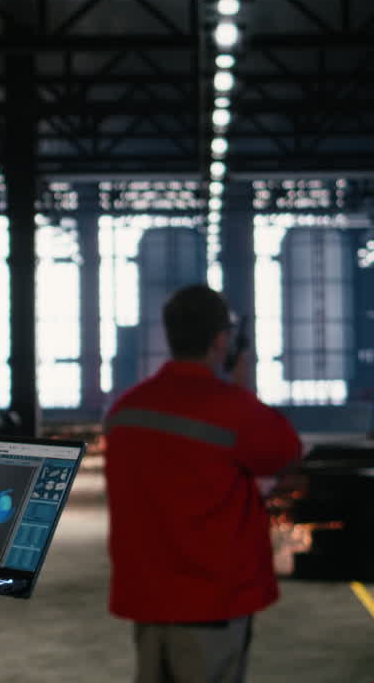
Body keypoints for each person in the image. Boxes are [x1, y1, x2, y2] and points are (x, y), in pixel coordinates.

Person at [103, 285, 302, 683]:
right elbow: (285, 452)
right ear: (221, 340)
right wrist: (245, 386)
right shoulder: (233, 408)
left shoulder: (126, 409)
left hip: (148, 596)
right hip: (211, 599)